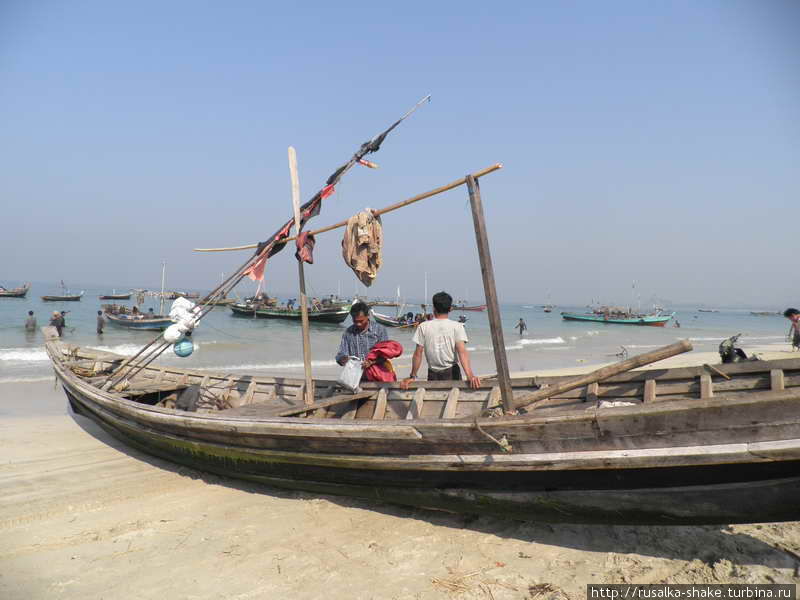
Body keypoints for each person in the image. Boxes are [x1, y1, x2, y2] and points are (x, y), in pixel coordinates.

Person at [401, 291, 480, 389]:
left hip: (433, 374)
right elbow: (462, 352)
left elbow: (418, 353)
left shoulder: (423, 326)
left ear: (434, 308)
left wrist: (412, 376)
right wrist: (470, 375)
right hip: (452, 372)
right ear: (450, 309)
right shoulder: (457, 326)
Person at [335, 301, 389, 374]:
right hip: (355, 375)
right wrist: (342, 359)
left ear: (368, 316)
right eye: (355, 321)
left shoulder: (380, 330)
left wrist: (371, 362)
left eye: (361, 321)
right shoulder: (348, 333)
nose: (358, 324)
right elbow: (341, 354)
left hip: (376, 374)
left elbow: (385, 354)